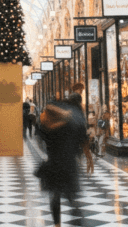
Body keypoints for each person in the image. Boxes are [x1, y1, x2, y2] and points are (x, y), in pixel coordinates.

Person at [36, 93, 93, 227]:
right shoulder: (76, 119)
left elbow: (42, 135)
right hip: (68, 164)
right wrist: (88, 157)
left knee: (56, 196)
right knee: (71, 197)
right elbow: (83, 140)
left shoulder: (53, 122)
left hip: (54, 163)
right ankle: (78, 222)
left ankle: (58, 224)